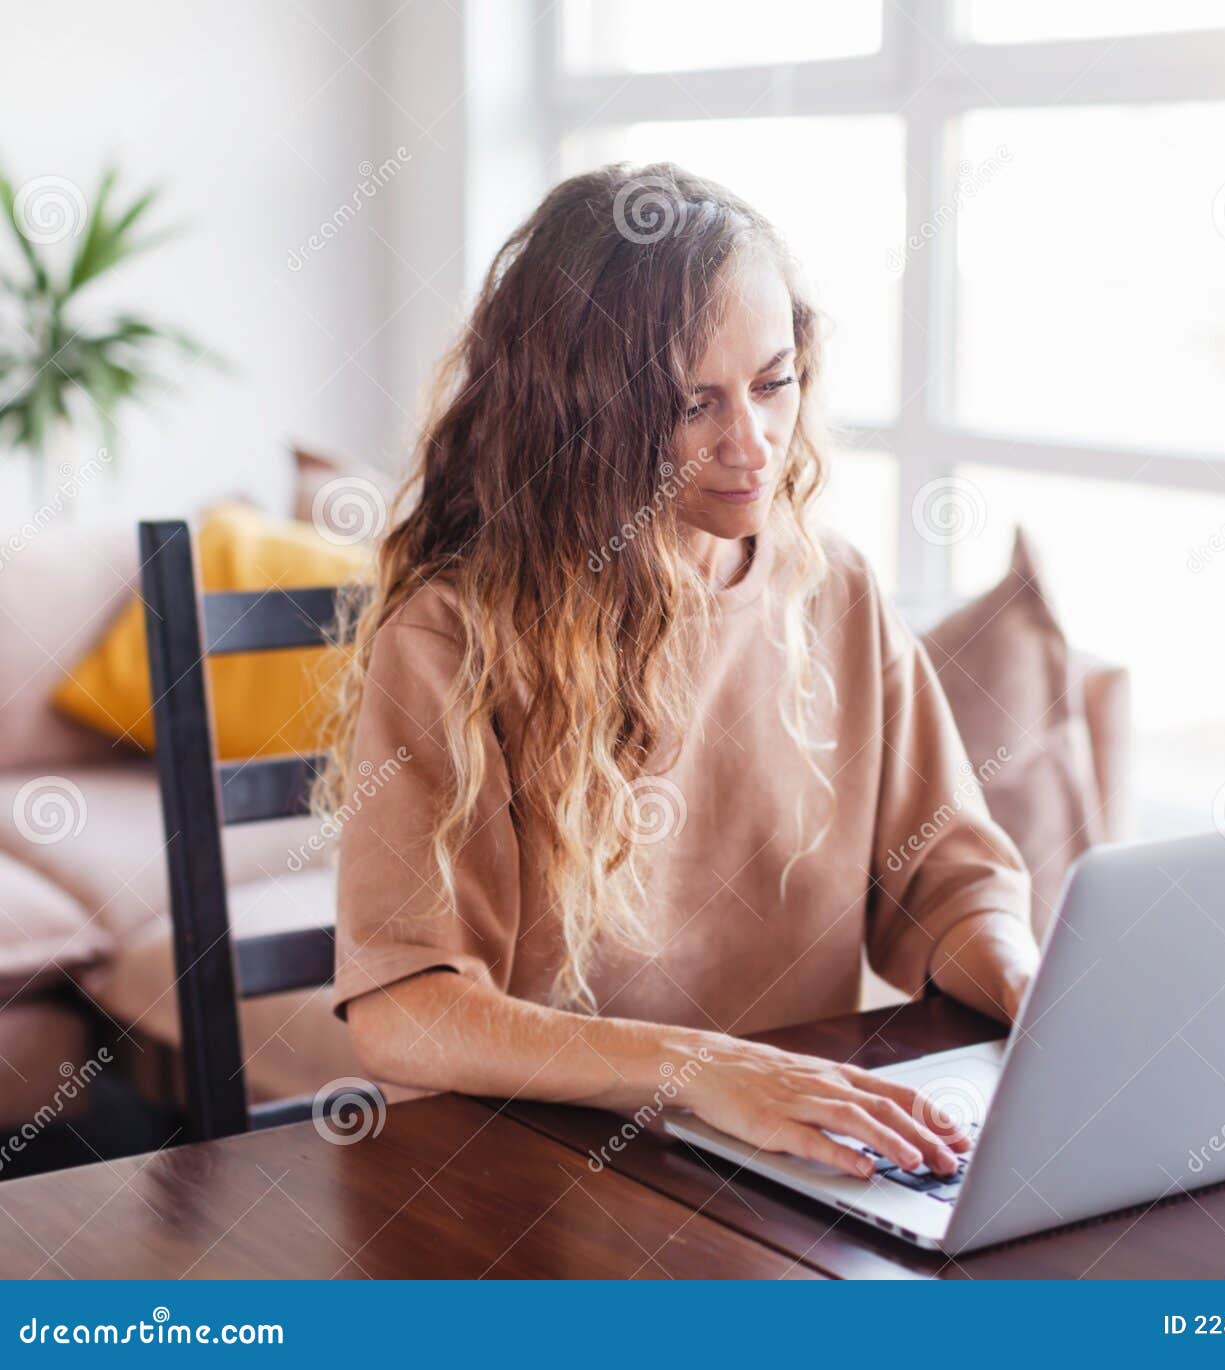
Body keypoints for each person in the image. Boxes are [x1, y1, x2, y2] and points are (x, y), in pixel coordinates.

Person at [324, 163, 1039, 1180]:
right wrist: (700, 1068)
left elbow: (946, 881)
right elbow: (404, 1008)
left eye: (773, 381)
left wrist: (1030, 984)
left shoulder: (833, 588)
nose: (750, 442)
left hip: (797, 1162)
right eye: (690, 403)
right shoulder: (455, 637)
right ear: (579, 412)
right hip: (544, 1175)